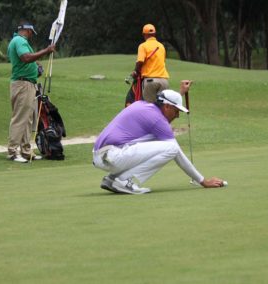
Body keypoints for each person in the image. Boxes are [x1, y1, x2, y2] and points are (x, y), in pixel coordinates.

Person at [92, 82, 225, 195]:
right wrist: (203, 181)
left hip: (105, 156)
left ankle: (112, 179)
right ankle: (124, 180)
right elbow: (176, 152)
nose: (177, 116)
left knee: (159, 142)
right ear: (166, 106)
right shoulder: (157, 119)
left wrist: (181, 93)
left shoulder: (144, 106)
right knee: (172, 148)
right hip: (113, 156)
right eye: (176, 111)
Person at [7, 21, 55, 163]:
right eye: (31, 33)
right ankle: (12, 151)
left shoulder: (18, 41)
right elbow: (25, 57)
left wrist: (36, 66)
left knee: (27, 119)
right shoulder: (19, 40)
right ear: (27, 30)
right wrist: (46, 51)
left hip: (27, 83)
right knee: (20, 118)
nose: (31, 35)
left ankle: (26, 151)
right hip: (23, 84)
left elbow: (28, 60)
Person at [132, 24, 169, 103]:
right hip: (164, 81)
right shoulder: (161, 46)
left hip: (150, 81)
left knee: (149, 108)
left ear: (144, 34)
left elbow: (140, 61)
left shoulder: (143, 46)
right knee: (162, 108)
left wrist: (135, 71)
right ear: (154, 34)